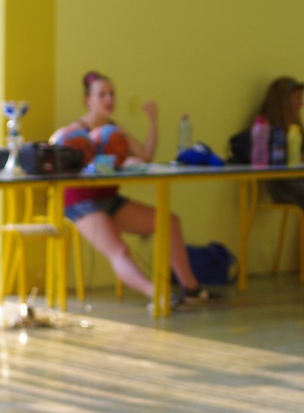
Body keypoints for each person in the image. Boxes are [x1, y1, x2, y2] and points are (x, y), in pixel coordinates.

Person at [50, 71, 213, 305]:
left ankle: (191, 288)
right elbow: (53, 146)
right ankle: (158, 294)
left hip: (109, 199)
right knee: (119, 251)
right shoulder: (74, 131)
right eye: (102, 94)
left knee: (169, 222)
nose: (109, 99)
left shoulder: (115, 131)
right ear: (88, 100)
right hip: (80, 202)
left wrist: (153, 122)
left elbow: (145, 156)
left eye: (112, 94)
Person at [230, 76, 304, 207]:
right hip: (288, 188)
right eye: (298, 98)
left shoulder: (294, 130)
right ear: (285, 102)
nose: (301, 103)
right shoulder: (267, 131)